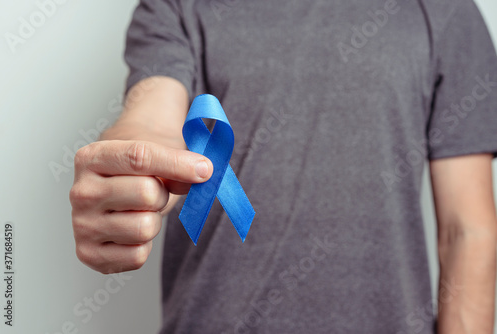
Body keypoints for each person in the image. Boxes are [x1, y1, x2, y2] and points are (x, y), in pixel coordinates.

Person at [69, 0, 497, 333]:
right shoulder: (179, 5)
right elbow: (151, 117)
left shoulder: (445, 11)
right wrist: (128, 173)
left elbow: (467, 231)